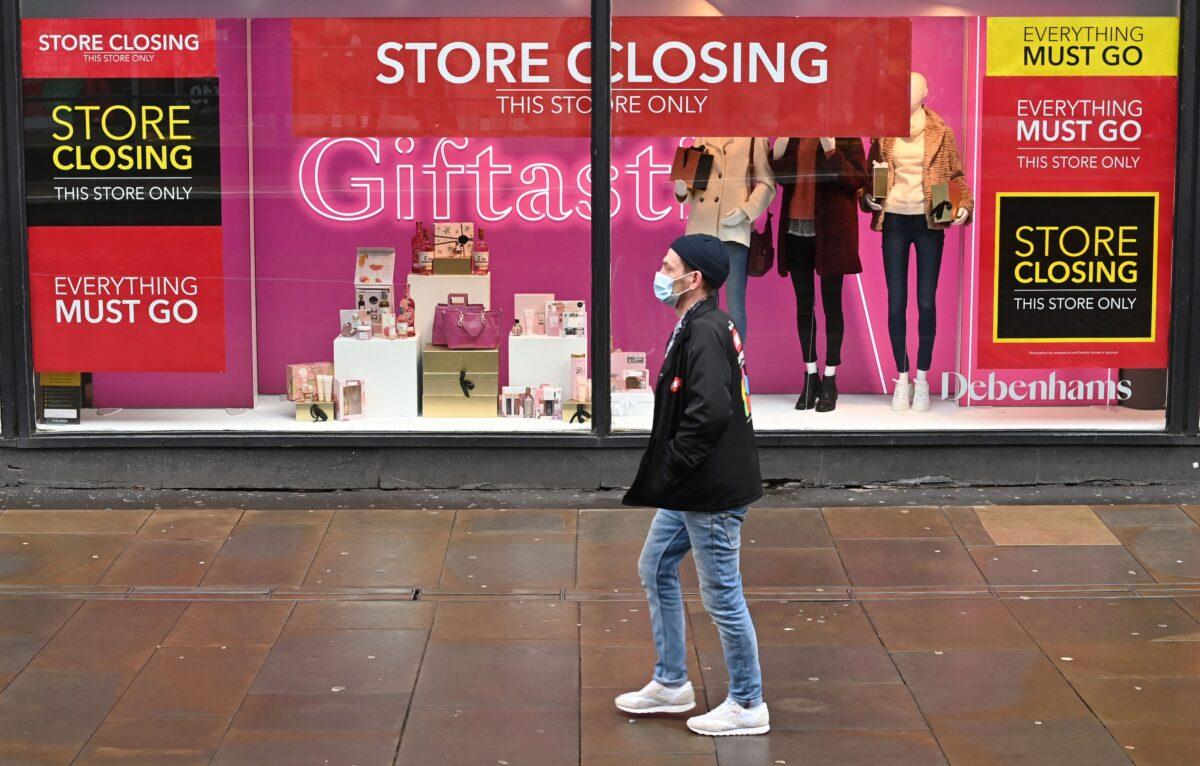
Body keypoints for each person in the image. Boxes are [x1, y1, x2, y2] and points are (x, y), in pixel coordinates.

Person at [618, 233, 768, 737]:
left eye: (668, 265)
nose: (660, 273)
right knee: (655, 565)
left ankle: (748, 703)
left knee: (723, 593)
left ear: (693, 278)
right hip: (693, 486)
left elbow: (710, 412)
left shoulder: (705, 329)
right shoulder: (701, 323)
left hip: (709, 490)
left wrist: (674, 466)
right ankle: (670, 682)